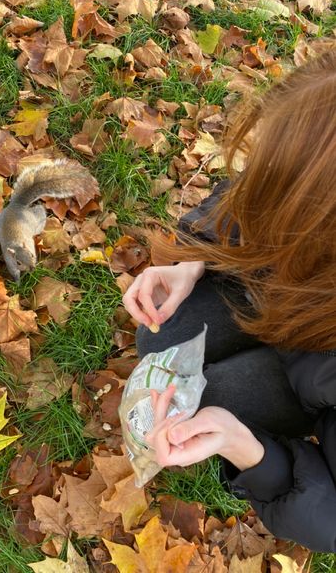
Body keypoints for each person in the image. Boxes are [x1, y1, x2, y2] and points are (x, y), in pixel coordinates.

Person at [122, 49, 336, 552]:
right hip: (295, 301)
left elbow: (330, 515)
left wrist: (247, 448)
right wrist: (192, 258)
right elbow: (250, 200)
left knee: (210, 398)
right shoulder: (314, 180)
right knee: (162, 335)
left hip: (319, 368)